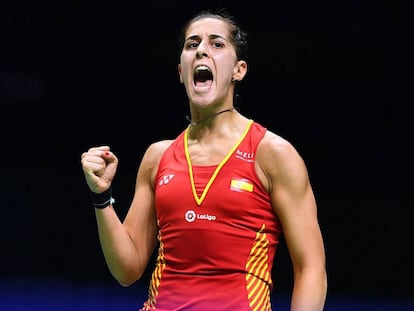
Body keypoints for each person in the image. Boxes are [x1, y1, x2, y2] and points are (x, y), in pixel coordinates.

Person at [81, 9, 327, 311]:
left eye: (217, 44)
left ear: (239, 70)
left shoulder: (272, 154)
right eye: (192, 44)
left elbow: (311, 269)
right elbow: (127, 269)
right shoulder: (157, 158)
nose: (201, 50)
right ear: (181, 72)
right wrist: (101, 196)